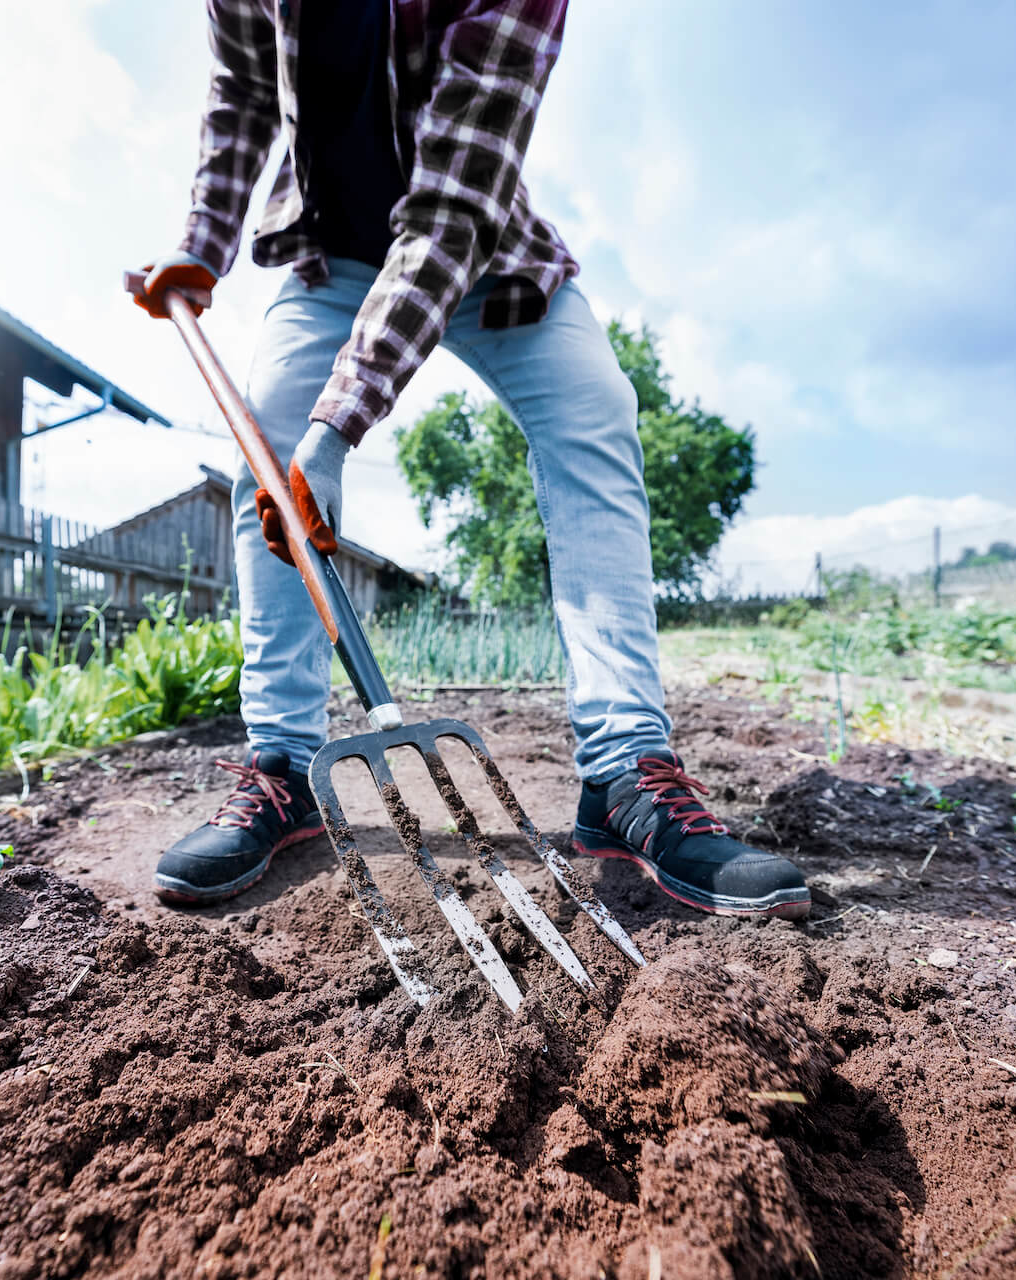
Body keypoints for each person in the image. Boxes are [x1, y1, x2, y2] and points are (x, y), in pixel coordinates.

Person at [127, 0, 809, 920]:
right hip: (327, 254)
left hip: (483, 253)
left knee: (593, 411)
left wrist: (340, 428)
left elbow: (450, 213)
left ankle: (624, 774)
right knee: (267, 443)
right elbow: (244, 89)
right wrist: (201, 245)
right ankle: (281, 767)